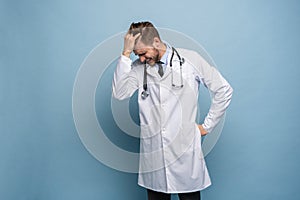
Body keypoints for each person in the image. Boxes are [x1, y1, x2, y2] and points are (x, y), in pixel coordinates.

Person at [112, 21, 233, 200]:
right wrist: (126, 54)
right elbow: (119, 93)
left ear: (156, 42)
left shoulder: (191, 60)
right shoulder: (139, 67)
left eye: (143, 53)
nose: (142, 59)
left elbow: (223, 90)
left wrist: (207, 126)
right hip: (154, 155)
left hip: (184, 151)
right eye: (138, 55)